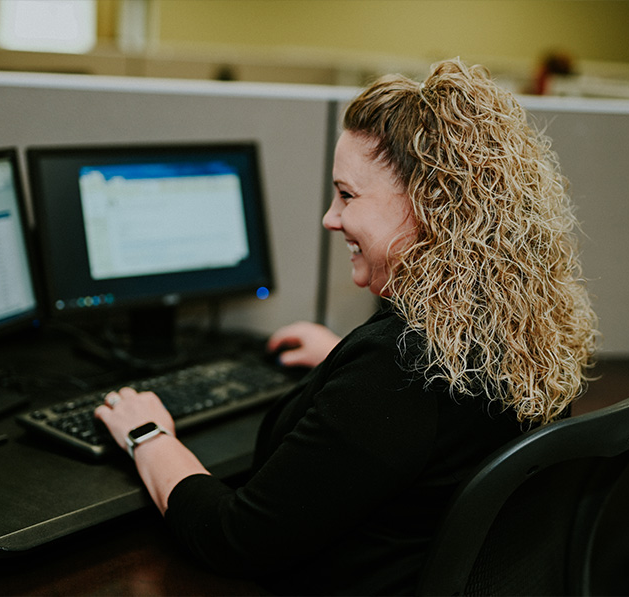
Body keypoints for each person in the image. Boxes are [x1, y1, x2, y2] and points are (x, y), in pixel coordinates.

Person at [95, 57, 599, 596]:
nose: (330, 219)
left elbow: (235, 537)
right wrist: (342, 358)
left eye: (348, 195)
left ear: (429, 206)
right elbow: (426, 410)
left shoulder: (398, 370)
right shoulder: (504, 319)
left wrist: (148, 436)